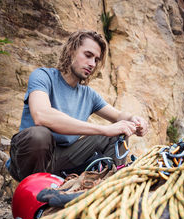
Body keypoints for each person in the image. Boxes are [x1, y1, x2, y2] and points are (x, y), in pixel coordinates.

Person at [8, 30, 148, 182]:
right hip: (28, 158)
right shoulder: (43, 76)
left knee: (120, 132)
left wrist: (135, 119)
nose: (92, 64)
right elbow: (42, 115)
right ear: (71, 50)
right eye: (88, 55)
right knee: (39, 135)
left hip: (62, 159)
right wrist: (103, 129)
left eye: (96, 60)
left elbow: (119, 116)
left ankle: (106, 190)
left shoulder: (88, 95)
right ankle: (33, 191)